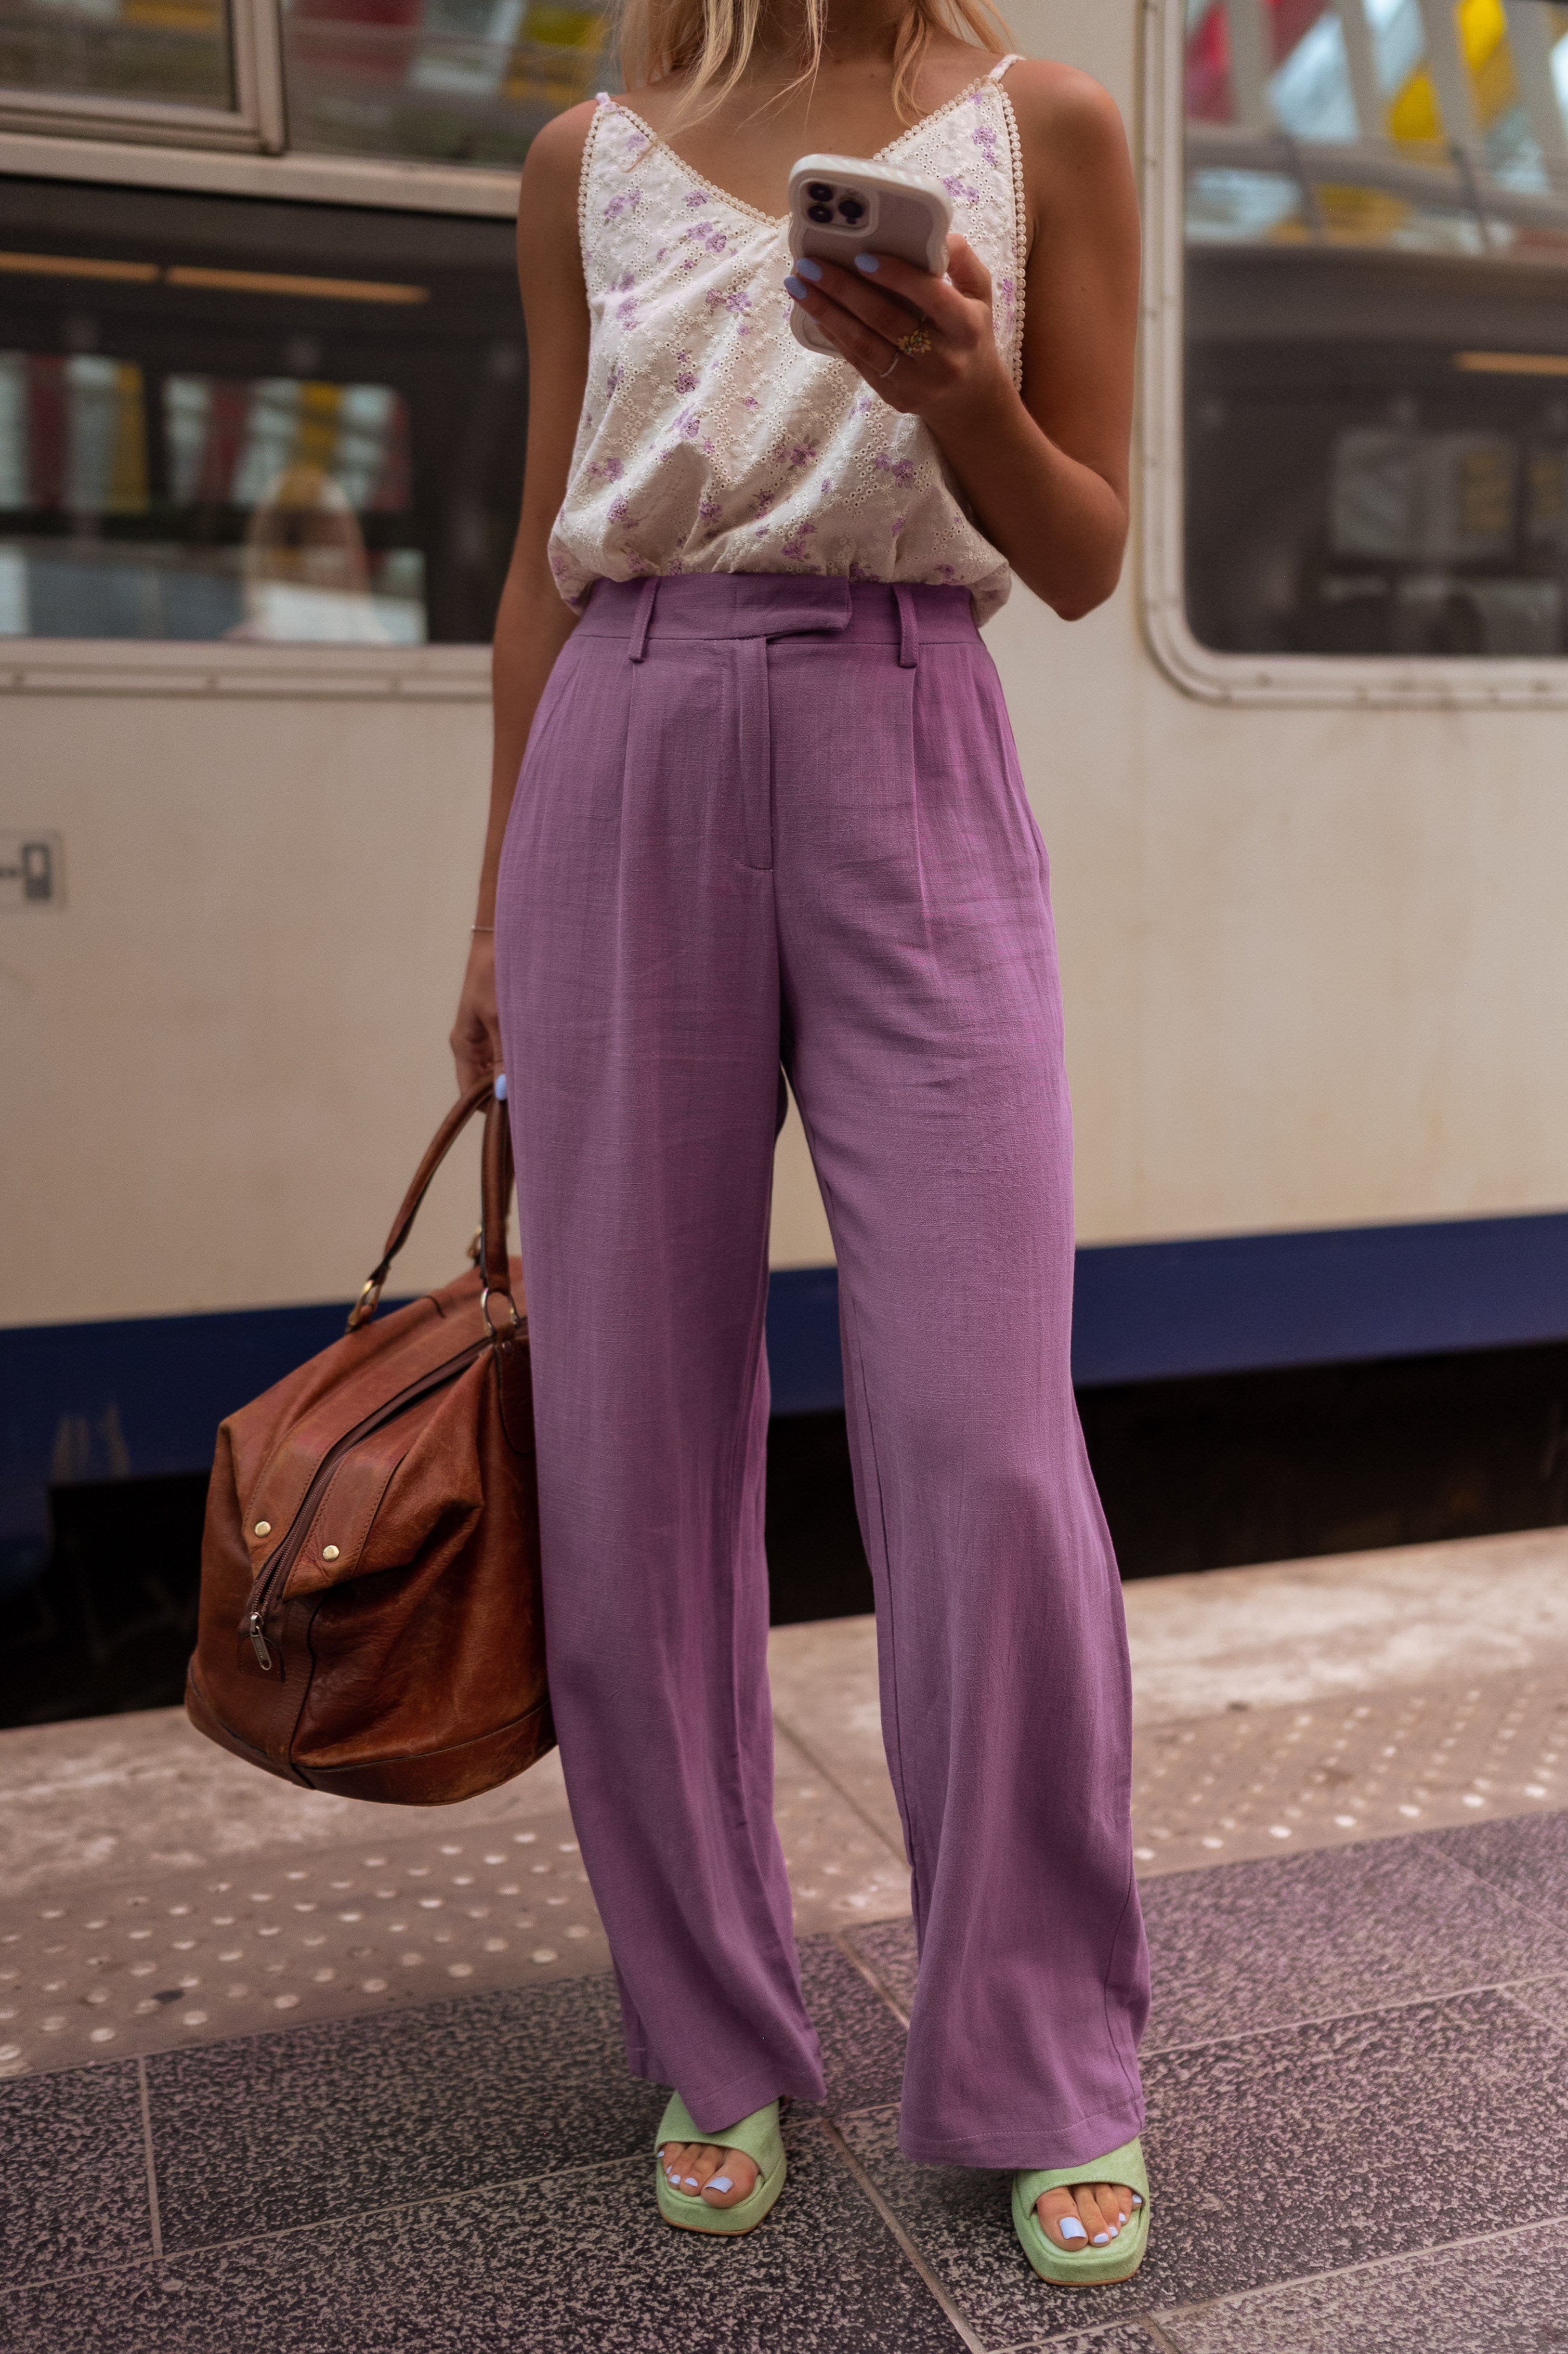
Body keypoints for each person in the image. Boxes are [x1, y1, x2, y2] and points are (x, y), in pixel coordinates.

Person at [450, 0, 1149, 2286]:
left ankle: (1043, 2051)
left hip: (907, 734)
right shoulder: (590, 156)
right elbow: (546, 564)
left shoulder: (1045, 128)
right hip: (621, 762)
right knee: (631, 1445)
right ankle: (715, 2029)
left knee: (982, 1441)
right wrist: (486, 918)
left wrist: (959, 391)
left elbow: (1080, 556)